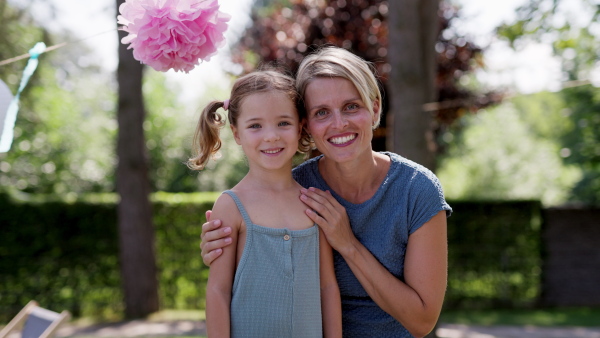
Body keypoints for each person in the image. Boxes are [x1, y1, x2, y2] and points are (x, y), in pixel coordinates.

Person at [200, 47, 452, 338]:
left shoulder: (416, 189)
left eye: (351, 107)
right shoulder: (296, 189)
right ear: (306, 126)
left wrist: (348, 244)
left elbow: (421, 322)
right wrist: (222, 247)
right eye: (322, 112)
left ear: (374, 108)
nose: (339, 123)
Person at [188, 69, 342, 337]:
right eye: (255, 126)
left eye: (283, 123)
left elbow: (327, 287)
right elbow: (217, 291)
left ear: (300, 127)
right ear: (237, 134)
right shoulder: (231, 205)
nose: (271, 136)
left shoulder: (314, 202)